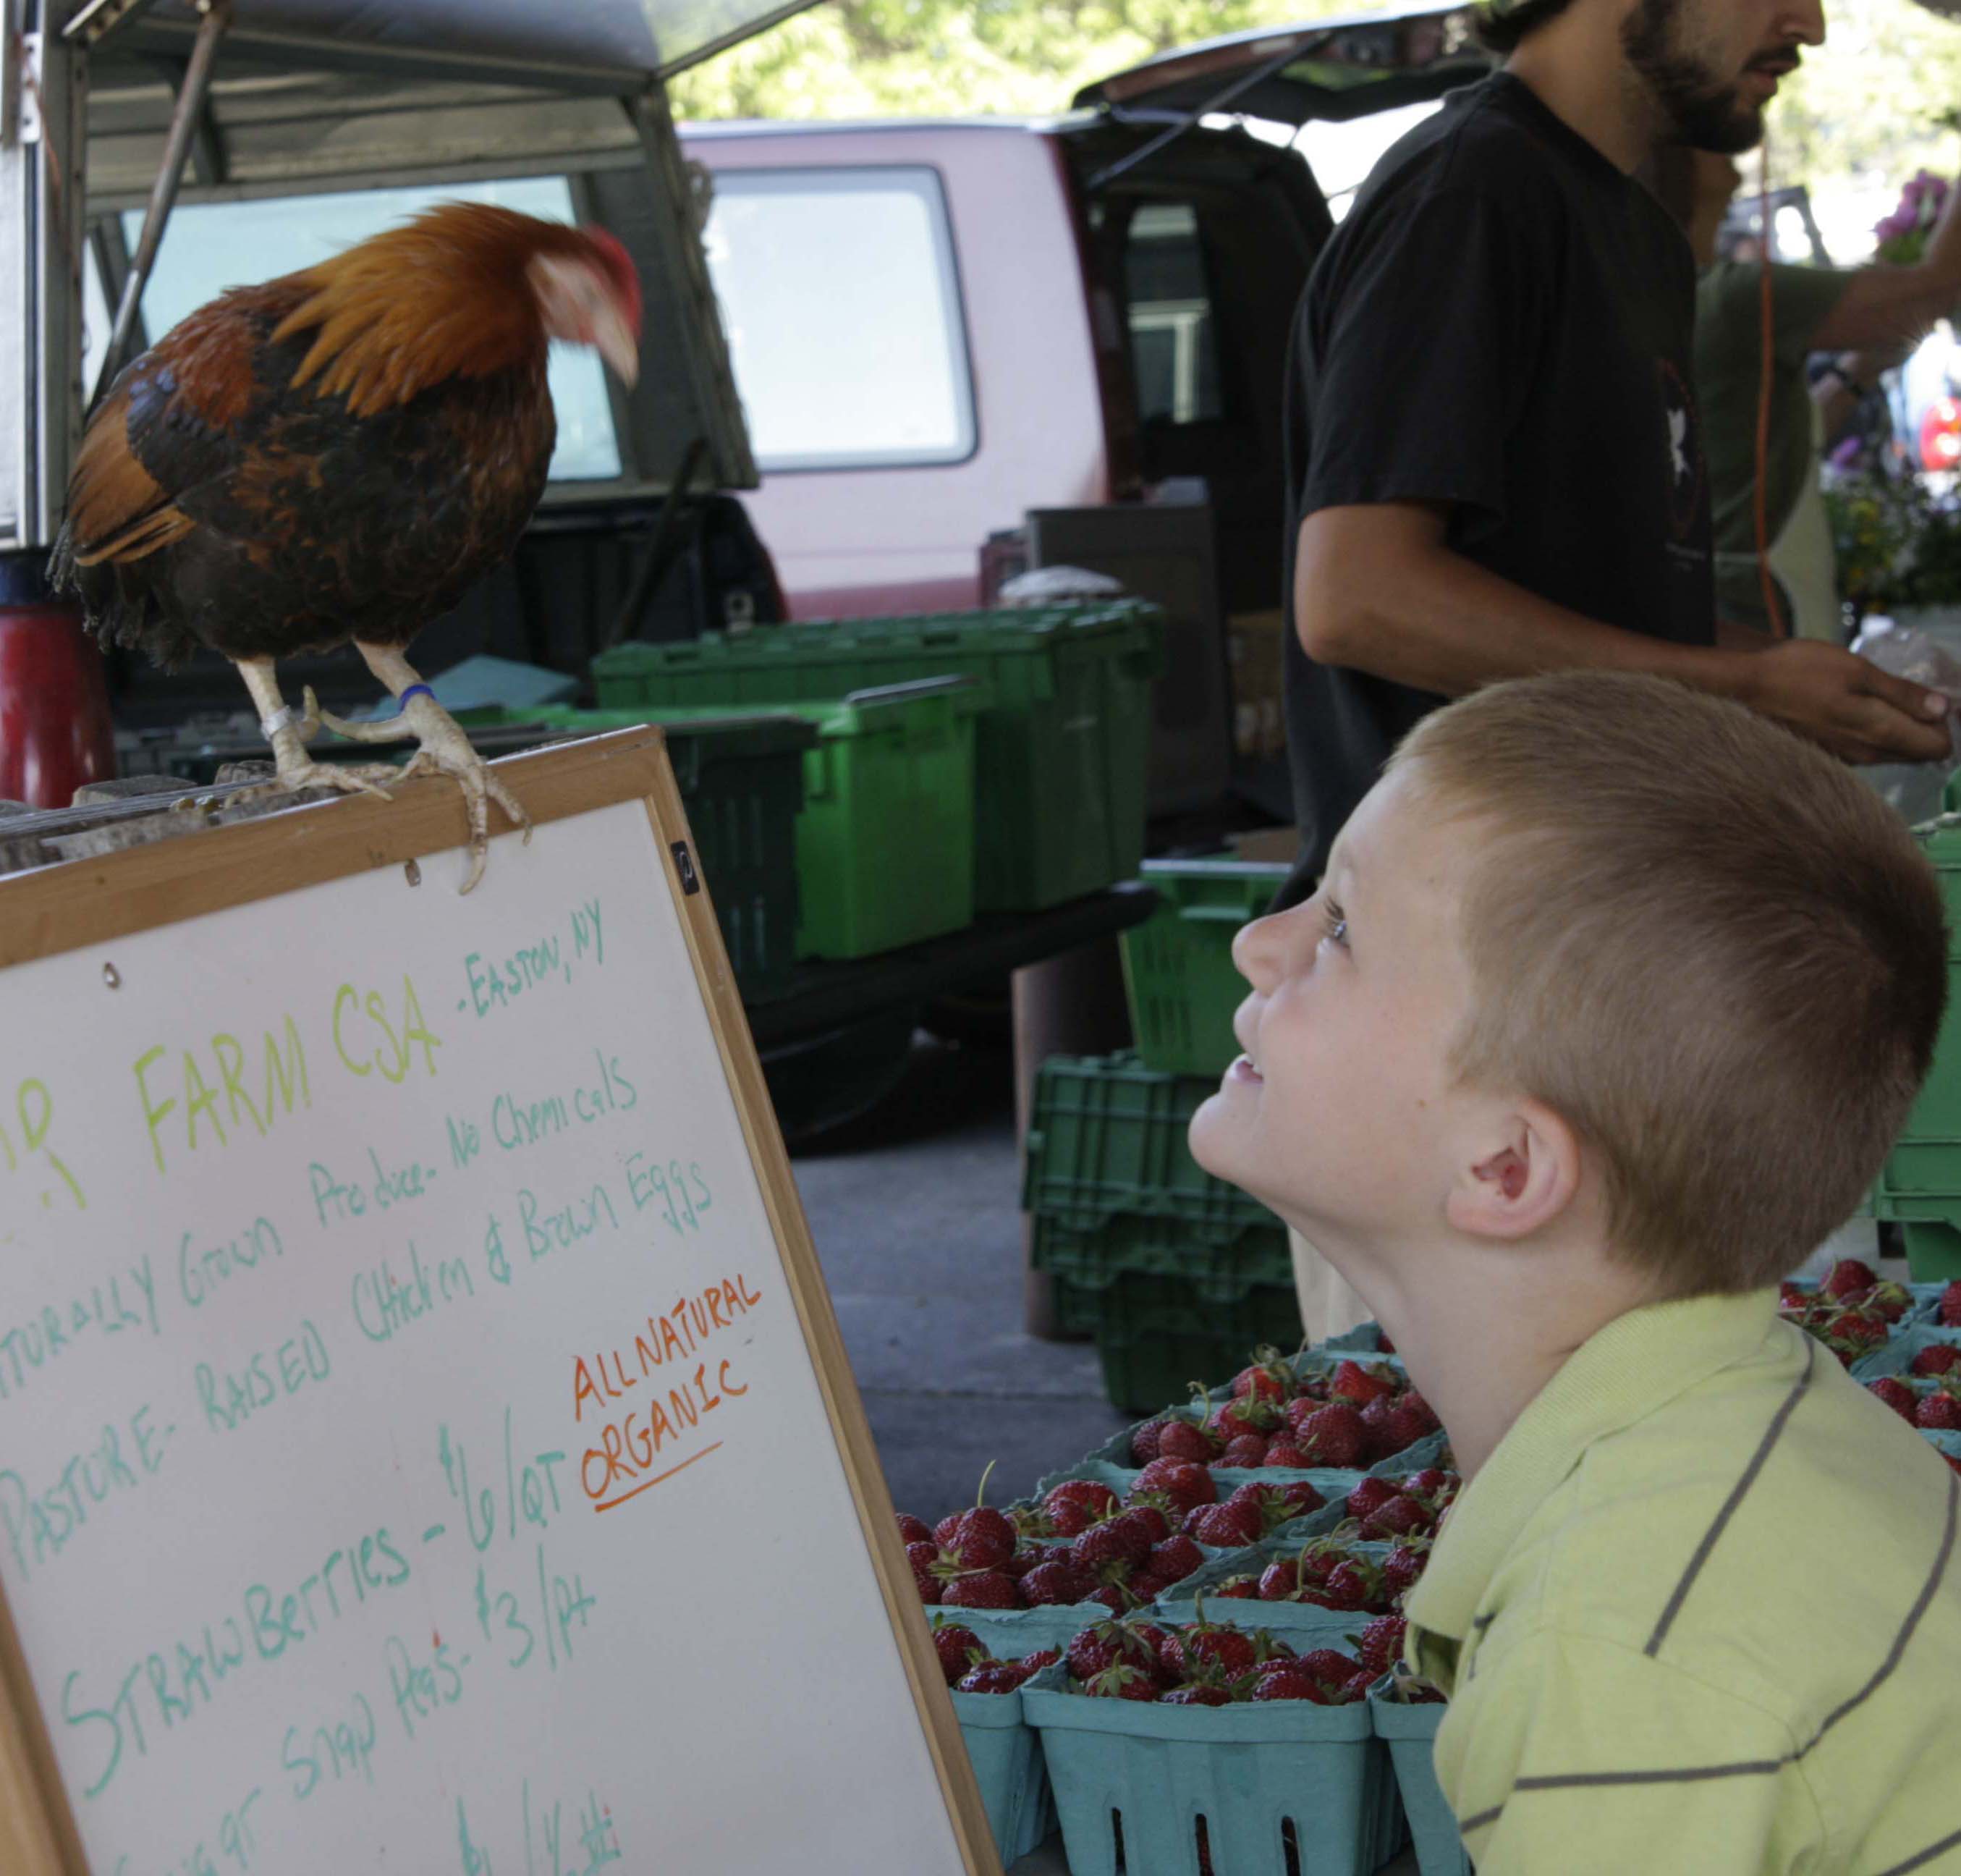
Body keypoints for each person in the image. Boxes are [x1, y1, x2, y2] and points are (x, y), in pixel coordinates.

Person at [1193, 669, 1958, 1872]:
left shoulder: (1609, 1646)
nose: (1258, 942)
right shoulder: (1765, 1443)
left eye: (1341, 925)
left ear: (1504, 1168)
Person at [1273, 0, 1952, 1338]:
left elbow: (1589, 610)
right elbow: (1356, 596)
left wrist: (1804, 677)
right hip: (1441, 1022)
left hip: (1588, 993)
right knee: (1459, 1515)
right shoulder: (1475, 193)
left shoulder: (1627, 226)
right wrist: (1745, 694)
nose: (1809, 21)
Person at [1681, 149, 1961, 641]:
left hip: (1742, 591)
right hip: (1766, 602)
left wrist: (1861, 372)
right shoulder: (1733, 298)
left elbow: (1780, 436)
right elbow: (1930, 294)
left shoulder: (1686, 295)